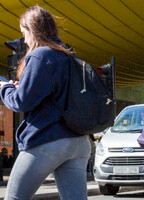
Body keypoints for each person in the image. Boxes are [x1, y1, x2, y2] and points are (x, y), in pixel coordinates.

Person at [0, 6, 90, 200]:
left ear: (32, 29)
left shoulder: (40, 55)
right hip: (79, 143)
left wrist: (4, 88)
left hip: (48, 140)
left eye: (24, 33)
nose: (24, 40)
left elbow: (20, 102)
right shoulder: (68, 55)